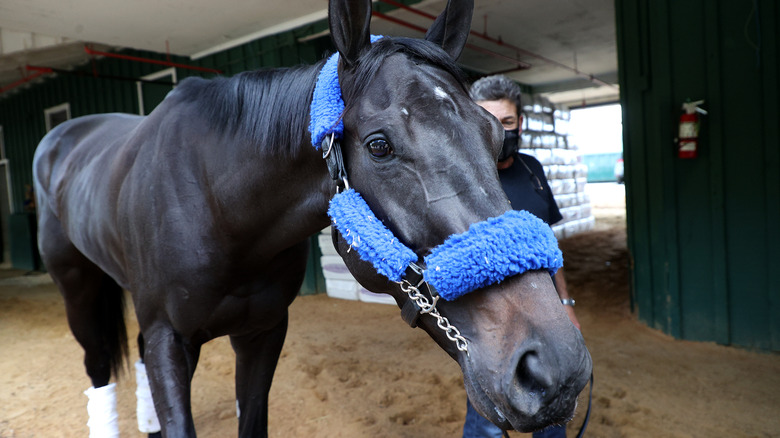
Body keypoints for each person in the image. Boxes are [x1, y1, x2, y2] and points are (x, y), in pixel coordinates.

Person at [462, 75, 580, 438]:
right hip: (492, 317)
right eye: (487, 120)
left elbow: (550, 246)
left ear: (520, 123)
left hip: (545, 308)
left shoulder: (533, 170)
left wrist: (566, 302)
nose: (499, 130)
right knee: (490, 418)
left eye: (507, 122)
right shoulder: (461, 178)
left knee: (554, 398)